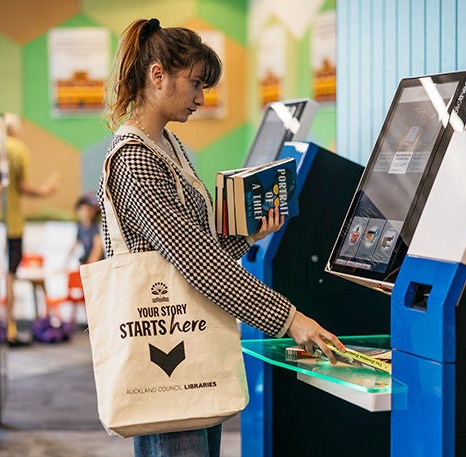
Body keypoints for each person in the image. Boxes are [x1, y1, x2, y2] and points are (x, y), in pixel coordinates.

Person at [99, 18, 346, 457]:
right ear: (158, 76)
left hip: (181, 342)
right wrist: (291, 319)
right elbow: (197, 264)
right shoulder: (135, 158)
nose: (201, 97)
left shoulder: (168, 146)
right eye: (194, 83)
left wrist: (245, 236)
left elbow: (188, 249)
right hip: (165, 349)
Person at [3, 113, 60, 346]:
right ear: (15, 130)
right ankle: (10, 329)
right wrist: (46, 191)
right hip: (12, 223)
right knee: (10, 275)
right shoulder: (17, 149)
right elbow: (23, 186)